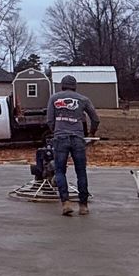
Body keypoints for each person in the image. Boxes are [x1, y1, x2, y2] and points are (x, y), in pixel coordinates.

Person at [46, 75, 100, 216]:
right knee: (81, 172)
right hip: (78, 139)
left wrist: (56, 131)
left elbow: (49, 120)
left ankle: (66, 203)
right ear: (75, 86)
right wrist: (91, 133)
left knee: (60, 171)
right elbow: (95, 118)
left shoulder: (54, 98)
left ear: (62, 85)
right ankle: (83, 206)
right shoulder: (83, 99)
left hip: (60, 138)